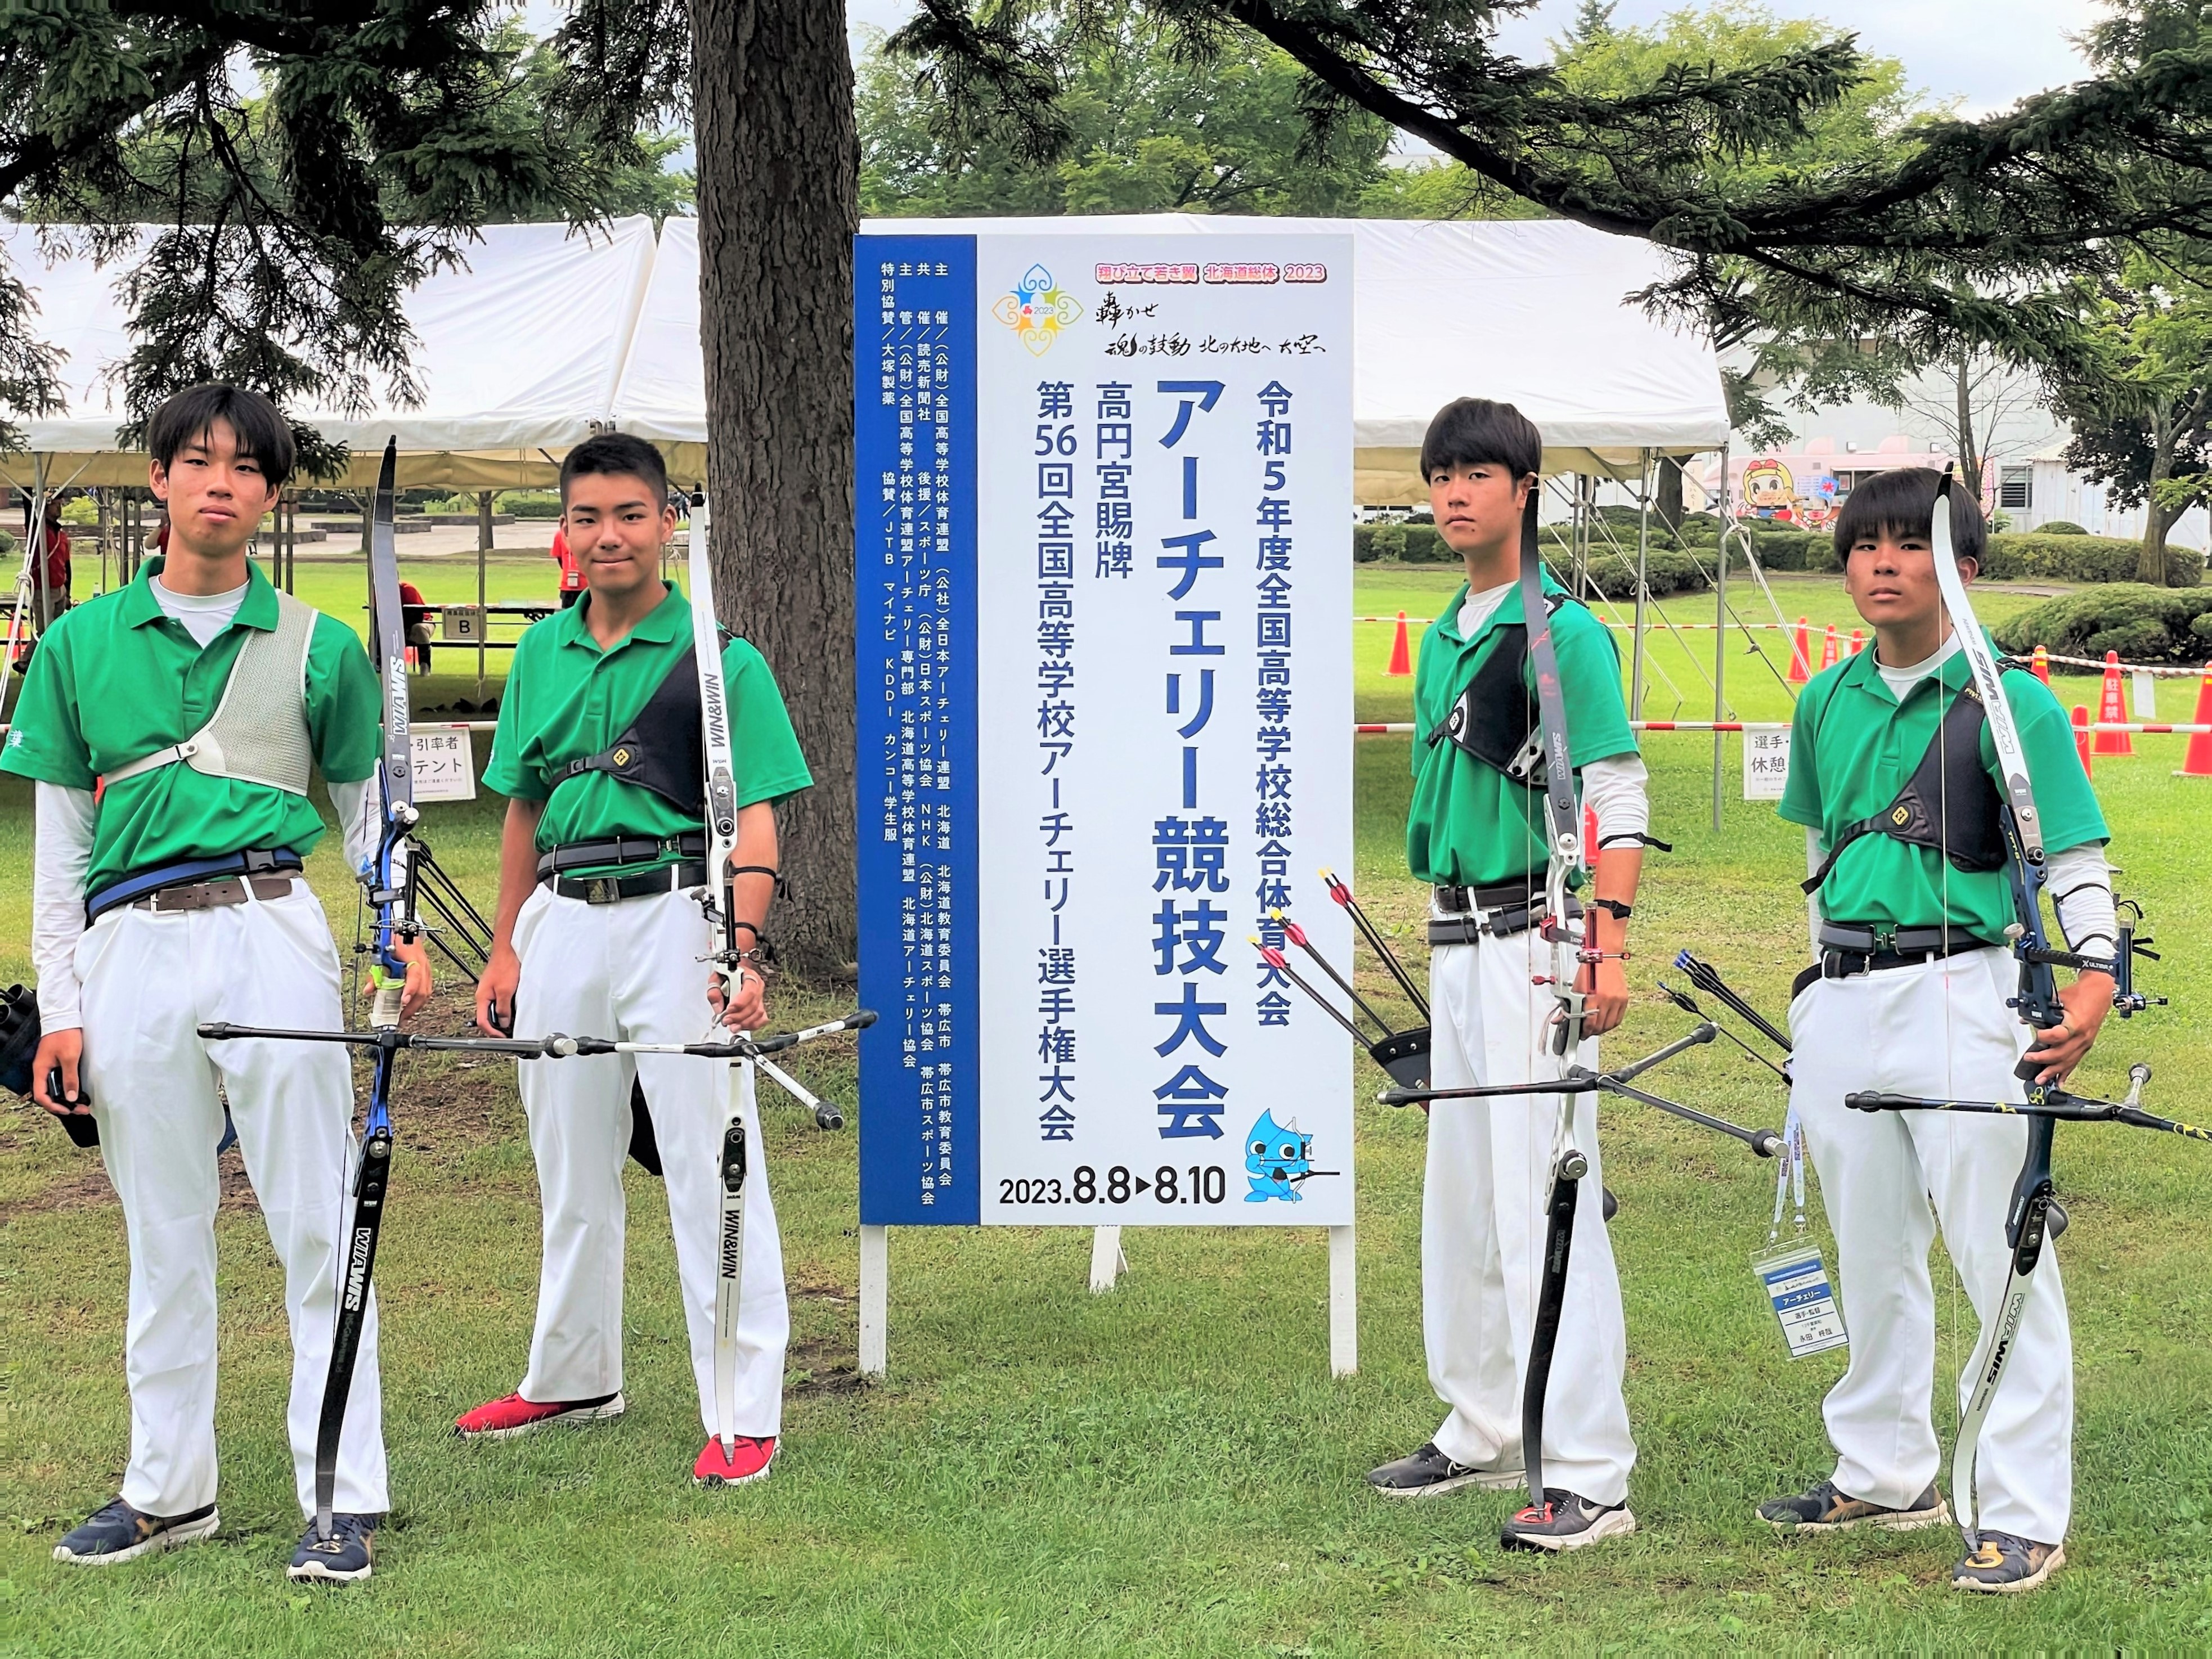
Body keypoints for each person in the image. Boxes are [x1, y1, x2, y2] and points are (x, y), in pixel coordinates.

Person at [5, 383, 432, 1584]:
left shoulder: (316, 644)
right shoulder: (84, 644)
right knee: (163, 1231)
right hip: (130, 944)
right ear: (159, 481)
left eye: (246, 469)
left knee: (314, 1218)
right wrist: (66, 1006)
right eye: (198, 462)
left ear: (272, 496)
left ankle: (341, 1493)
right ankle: (165, 1489)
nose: (221, 484)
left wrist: (397, 925)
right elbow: (62, 852)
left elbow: (364, 818)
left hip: (268, 926)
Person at [1760, 467, 2114, 1594]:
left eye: (1910, 542)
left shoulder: (2017, 701)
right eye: (1865, 542)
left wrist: (2093, 976)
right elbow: (1817, 863)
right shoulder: (1826, 699)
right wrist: (1816, 997)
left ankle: (2021, 1512)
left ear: (1963, 563)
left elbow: (2074, 859)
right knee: (1867, 1248)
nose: (1881, 562)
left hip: (1969, 989)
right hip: (1847, 994)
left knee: (1998, 1252)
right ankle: (1884, 1468)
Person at [460, 433, 812, 1487]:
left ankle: (745, 1411)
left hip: (676, 914)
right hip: (561, 919)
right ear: (564, 533)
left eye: (629, 513)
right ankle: (573, 1376)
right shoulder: (538, 655)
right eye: (586, 517)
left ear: (667, 522)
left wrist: (742, 950)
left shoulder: (720, 658)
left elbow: (754, 821)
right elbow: (524, 804)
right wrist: (504, 945)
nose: (608, 534)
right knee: (569, 1163)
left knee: (713, 1165)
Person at [1363, 399, 1652, 1551]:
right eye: (1440, 475)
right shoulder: (1446, 628)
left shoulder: (1560, 631)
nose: (1453, 494)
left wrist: (1610, 940)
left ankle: (1590, 1467)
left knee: (1551, 1193)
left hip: (1539, 935)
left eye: (1477, 473)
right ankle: (1484, 1419)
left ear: (1524, 488)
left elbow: (1617, 793)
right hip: (1454, 937)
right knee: (1467, 1188)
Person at [398, 578, 434, 673]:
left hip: (423, 621)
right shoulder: (381, 593)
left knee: (419, 628)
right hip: (402, 625)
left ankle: (425, 666)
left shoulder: (408, 590)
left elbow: (417, 614)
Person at [549, 523, 584, 609]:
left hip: (590, 586)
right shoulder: (560, 535)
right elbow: (560, 559)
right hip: (569, 586)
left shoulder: (590, 534)